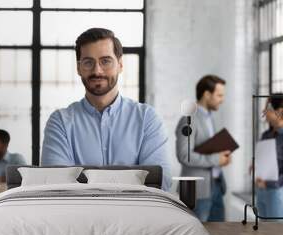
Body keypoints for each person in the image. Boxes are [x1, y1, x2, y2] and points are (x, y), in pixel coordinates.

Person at [41, 28, 171, 190]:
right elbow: (56, 186)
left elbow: (160, 182)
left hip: (135, 215)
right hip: (78, 216)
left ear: (120, 64)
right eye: (88, 62)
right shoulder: (60, 122)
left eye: (106, 61)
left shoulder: (146, 119)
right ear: (79, 68)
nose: (97, 70)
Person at [175, 75, 231, 221]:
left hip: (217, 185)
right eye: (219, 95)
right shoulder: (189, 119)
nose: (222, 99)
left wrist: (222, 157)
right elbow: (184, 155)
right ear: (207, 94)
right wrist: (215, 159)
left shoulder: (210, 118)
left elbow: (209, 149)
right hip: (198, 191)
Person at [255, 96, 283, 218]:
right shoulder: (266, 135)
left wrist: (272, 184)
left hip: (277, 191)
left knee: (275, 233)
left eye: (268, 108)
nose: (264, 111)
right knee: (263, 232)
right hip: (261, 190)